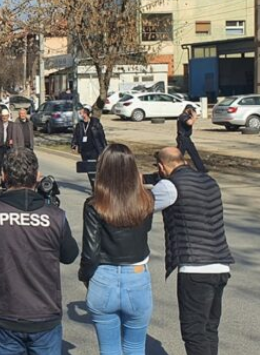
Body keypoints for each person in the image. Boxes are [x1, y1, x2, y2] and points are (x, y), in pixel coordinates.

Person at [0, 148, 79, 354]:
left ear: (4, 176)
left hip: (5, 312)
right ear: (37, 176)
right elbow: (69, 255)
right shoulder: (55, 216)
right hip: (44, 313)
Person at [153, 147, 234, 355]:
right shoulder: (209, 181)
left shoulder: (168, 185)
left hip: (195, 269)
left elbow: (139, 207)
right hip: (221, 266)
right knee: (209, 329)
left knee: (193, 332)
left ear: (162, 166)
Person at [79, 144, 155, 355]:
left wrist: (85, 276)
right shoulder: (147, 200)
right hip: (137, 275)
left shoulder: (94, 204)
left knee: (109, 349)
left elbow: (90, 251)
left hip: (104, 275)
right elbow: (144, 230)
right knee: (135, 347)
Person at [71, 105, 107, 186]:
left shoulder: (95, 124)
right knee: (88, 170)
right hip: (84, 151)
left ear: (85, 113)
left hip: (94, 151)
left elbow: (102, 137)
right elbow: (75, 136)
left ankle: (99, 187)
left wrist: (105, 149)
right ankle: (93, 186)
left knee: (95, 170)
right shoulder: (79, 125)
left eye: (81, 112)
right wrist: (74, 144)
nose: (80, 114)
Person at [0, 108, 23, 180]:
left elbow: (14, 133)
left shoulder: (12, 124)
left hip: (8, 145)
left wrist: (13, 140)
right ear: (1, 116)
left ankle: (7, 173)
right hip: (0, 144)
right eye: (3, 116)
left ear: (8, 116)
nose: (4, 117)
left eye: (6, 116)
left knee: (8, 160)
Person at [176, 105, 206, 173]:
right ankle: (173, 167)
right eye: (192, 110)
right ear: (188, 110)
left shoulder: (187, 116)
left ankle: (201, 169)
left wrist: (193, 116)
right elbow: (190, 123)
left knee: (194, 153)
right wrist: (194, 115)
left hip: (187, 138)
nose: (193, 112)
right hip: (182, 138)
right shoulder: (183, 116)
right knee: (179, 155)